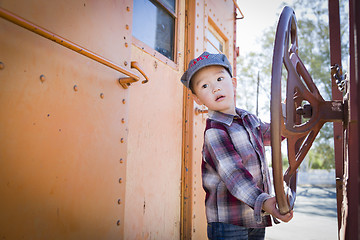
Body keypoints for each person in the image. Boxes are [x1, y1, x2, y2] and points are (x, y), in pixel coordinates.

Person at [180, 51, 293, 240]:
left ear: (233, 84)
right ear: (198, 99)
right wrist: (265, 202)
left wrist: (287, 113)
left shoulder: (249, 119)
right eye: (205, 85)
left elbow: (275, 135)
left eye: (219, 79)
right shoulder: (215, 132)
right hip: (228, 220)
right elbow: (234, 176)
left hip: (255, 215)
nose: (215, 88)